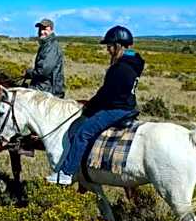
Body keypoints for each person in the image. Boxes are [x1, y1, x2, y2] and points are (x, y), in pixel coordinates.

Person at [47, 25, 144, 185]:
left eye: (110, 46)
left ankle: (66, 173)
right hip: (128, 106)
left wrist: (89, 108)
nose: (108, 49)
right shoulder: (133, 63)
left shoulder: (120, 67)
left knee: (83, 133)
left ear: (118, 45)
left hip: (117, 109)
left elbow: (106, 94)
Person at [25, 18, 65, 98]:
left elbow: (44, 71)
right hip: (43, 87)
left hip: (48, 91)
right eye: (40, 29)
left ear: (51, 30)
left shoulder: (52, 47)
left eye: (44, 29)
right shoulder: (46, 45)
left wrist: (30, 73)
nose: (41, 32)